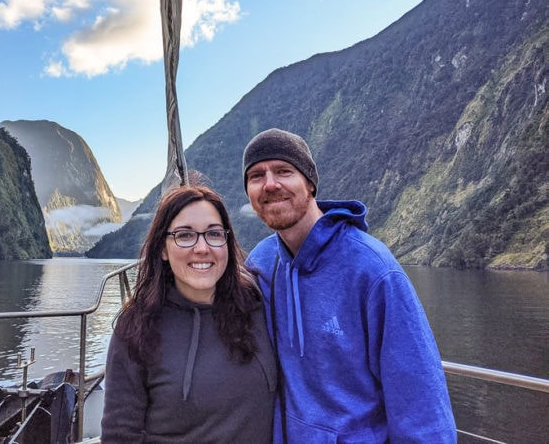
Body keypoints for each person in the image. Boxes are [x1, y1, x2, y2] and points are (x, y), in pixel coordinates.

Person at [242, 128, 457, 443]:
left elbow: (419, 398)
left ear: (310, 183)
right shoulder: (261, 263)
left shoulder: (371, 268)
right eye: (256, 175)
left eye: (284, 171)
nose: (270, 184)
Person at [101, 183, 277, 443]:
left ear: (227, 242)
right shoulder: (137, 327)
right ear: (162, 248)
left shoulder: (257, 305)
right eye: (185, 235)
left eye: (214, 234)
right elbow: (120, 435)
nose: (202, 248)